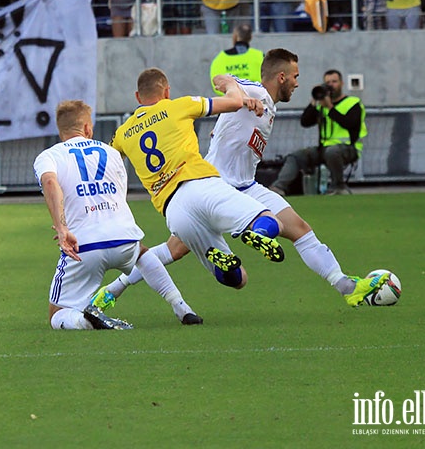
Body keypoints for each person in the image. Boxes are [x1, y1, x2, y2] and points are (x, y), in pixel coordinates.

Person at [97, 50, 390, 309]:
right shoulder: (255, 91)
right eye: (296, 76)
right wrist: (240, 92)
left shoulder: (270, 105)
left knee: (299, 228)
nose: (299, 83)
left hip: (246, 184)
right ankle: (114, 289)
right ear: (282, 76)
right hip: (213, 184)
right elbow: (222, 79)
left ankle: (346, 287)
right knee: (178, 248)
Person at [106, 67, 285, 300]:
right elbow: (231, 102)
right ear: (167, 91)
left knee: (238, 279)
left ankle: (224, 264)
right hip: (201, 185)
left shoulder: (122, 133)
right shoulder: (178, 105)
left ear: (138, 97)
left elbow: (108, 162)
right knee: (271, 221)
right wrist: (233, 86)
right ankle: (259, 233)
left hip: (174, 211)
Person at [35, 100, 202, 330]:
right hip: (124, 240)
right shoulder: (111, 153)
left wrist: (62, 228)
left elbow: (50, 182)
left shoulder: (49, 156)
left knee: (57, 314)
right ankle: (182, 307)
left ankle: (86, 321)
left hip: (84, 247)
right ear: (87, 128)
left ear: (60, 129)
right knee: (143, 254)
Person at [271, 68, 366, 196]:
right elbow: (305, 122)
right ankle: (278, 188)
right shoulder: (322, 104)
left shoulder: (353, 103)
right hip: (324, 149)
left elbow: (350, 123)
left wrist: (330, 108)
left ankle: (338, 186)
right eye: (328, 83)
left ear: (342, 84)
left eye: (334, 82)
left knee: (332, 152)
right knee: (296, 156)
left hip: (348, 148)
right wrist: (314, 102)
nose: (331, 85)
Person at [209, 23, 263, 92]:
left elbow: (216, 85)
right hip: (255, 98)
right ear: (251, 37)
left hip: (230, 100)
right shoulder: (259, 55)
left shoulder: (220, 58)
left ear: (234, 36)